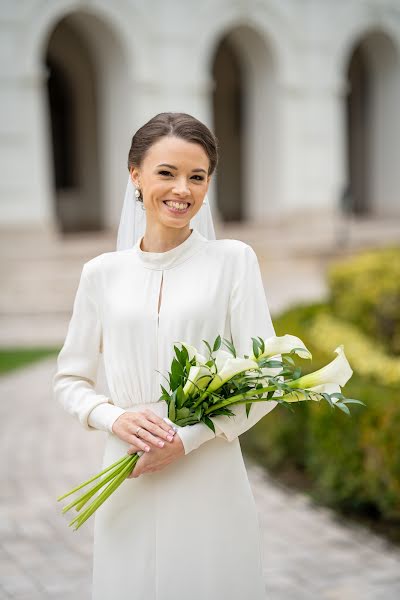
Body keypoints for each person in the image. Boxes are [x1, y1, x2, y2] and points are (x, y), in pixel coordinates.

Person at [53, 112, 279, 599]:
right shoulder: (100, 273)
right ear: (135, 174)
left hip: (207, 470)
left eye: (197, 177)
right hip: (126, 470)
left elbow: (268, 377)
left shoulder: (234, 262)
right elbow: (70, 379)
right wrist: (110, 417)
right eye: (166, 173)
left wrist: (190, 438)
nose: (182, 189)